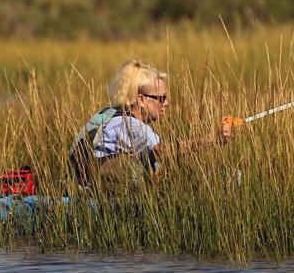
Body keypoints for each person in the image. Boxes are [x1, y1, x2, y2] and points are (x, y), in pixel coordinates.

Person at [69, 59, 231, 187]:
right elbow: (163, 151)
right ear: (141, 100)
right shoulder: (131, 125)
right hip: (97, 189)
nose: (166, 104)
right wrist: (213, 139)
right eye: (161, 98)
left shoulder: (109, 114)